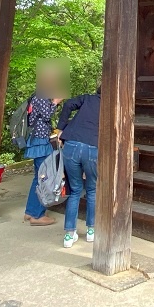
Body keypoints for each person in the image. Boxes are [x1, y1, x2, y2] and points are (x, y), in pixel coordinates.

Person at [56, 87, 100, 248]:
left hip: (72, 144)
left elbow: (67, 104)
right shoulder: (111, 104)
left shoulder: (88, 98)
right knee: (92, 190)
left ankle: (69, 235)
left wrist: (61, 128)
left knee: (74, 190)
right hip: (92, 147)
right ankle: (91, 231)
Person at [23, 63, 64, 226]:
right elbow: (47, 115)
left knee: (38, 178)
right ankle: (37, 216)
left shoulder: (39, 95)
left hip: (38, 141)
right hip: (40, 142)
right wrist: (56, 101)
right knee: (45, 177)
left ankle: (30, 211)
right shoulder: (41, 95)